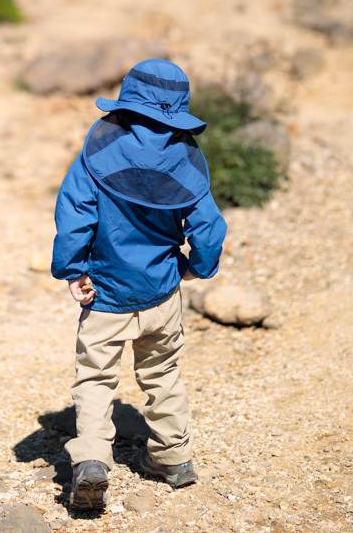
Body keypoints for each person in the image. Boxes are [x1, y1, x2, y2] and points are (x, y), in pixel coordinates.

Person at [51, 58, 228, 510]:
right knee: (162, 372)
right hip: (162, 293)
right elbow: (209, 226)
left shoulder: (101, 147)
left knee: (95, 378)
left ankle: (91, 459)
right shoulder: (186, 158)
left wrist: (74, 269)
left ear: (128, 99)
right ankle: (174, 459)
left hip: (106, 291)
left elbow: (75, 213)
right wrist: (196, 267)